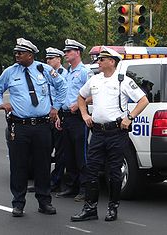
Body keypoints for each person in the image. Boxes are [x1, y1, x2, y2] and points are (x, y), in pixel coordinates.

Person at [0, 38, 67, 217]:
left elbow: (62, 86)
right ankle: (18, 203)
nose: (17, 55)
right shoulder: (10, 72)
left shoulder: (44, 69)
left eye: (20, 53)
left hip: (41, 126)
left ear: (30, 55)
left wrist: (55, 107)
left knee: (43, 164)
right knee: (19, 166)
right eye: (16, 52)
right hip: (19, 126)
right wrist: (0, 103)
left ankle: (44, 201)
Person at [71, 46, 149, 222]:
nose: (98, 62)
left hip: (116, 133)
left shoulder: (123, 81)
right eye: (98, 59)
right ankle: (90, 208)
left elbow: (143, 100)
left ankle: (112, 208)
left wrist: (130, 117)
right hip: (98, 132)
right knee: (91, 170)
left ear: (111, 62)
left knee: (114, 172)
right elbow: (81, 97)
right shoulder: (95, 80)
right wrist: (84, 115)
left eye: (101, 60)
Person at [55, 39, 92, 201]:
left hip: (78, 118)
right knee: (68, 154)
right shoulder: (67, 72)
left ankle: (85, 188)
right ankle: (71, 186)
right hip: (65, 116)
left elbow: (93, 93)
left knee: (81, 154)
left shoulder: (84, 71)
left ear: (77, 52)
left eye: (69, 51)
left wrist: (79, 105)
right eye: (65, 51)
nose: (66, 54)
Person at [45, 47, 68, 192]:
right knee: (43, 150)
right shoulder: (46, 74)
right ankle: (43, 181)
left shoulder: (64, 75)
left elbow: (63, 94)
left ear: (59, 59)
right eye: (47, 58)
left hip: (59, 116)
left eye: (51, 58)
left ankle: (56, 181)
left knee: (60, 152)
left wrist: (57, 112)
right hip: (47, 116)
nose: (48, 61)